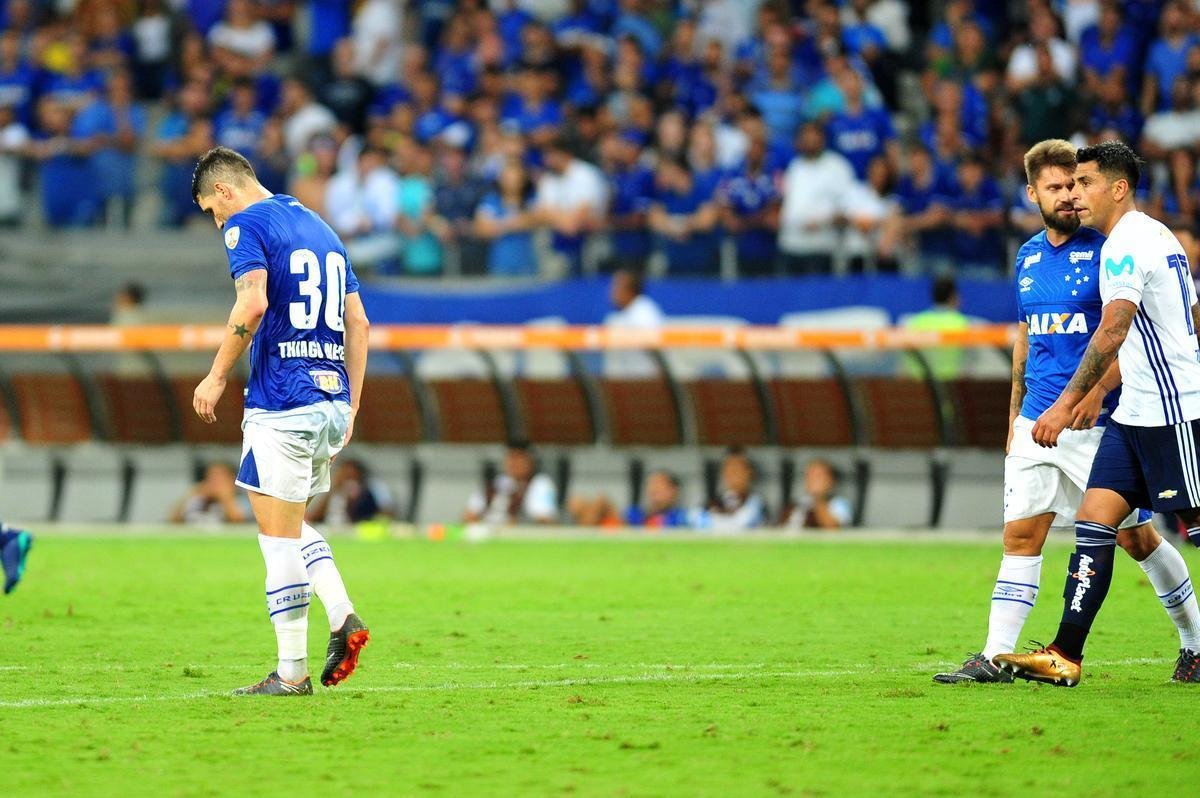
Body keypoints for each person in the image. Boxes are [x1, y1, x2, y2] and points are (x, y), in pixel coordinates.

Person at [979, 141, 1200, 687]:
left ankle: (1193, 642)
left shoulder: (1118, 246)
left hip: (1153, 413)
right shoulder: (1039, 254)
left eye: (1080, 184)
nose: (1073, 195)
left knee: (1155, 536)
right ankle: (1046, 654)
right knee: (1078, 528)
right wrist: (1021, 415)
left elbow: (1115, 330)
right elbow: (1030, 336)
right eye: (1061, 186)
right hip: (1096, 419)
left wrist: (1082, 398)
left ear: (1116, 187)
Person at [190, 146, 371, 696]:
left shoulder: (245, 225)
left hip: (283, 400)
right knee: (284, 527)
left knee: (276, 541)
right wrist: (353, 406)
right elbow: (358, 322)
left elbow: (251, 305)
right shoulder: (320, 227)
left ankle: (292, 673)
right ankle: (341, 615)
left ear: (224, 191)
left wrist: (217, 374)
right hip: (330, 401)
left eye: (210, 210)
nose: (216, 222)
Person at [465, 442, 558, 525]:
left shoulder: (540, 483)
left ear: (530, 462)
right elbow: (470, 514)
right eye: (511, 458)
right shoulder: (496, 482)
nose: (514, 464)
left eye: (519, 459)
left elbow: (544, 519)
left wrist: (517, 523)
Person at [903, 275, 970, 380]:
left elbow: (904, 363)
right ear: (953, 297)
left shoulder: (916, 322)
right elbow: (969, 360)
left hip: (919, 383)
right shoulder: (961, 324)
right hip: (950, 383)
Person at [604, 269, 664, 378]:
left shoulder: (644, 313)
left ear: (630, 290)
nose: (612, 292)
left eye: (617, 286)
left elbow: (658, 351)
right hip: (622, 382)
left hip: (644, 382)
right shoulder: (619, 316)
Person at [695, 447, 766, 531]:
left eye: (738, 468)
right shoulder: (712, 503)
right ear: (723, 472)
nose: (734, 473)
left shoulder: (758, 503)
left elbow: (744, 524)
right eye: (730, 467)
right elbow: (700, 523)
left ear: (749, 472)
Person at [306, 459, 395, 525]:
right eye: (344, 475)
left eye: (351, 475)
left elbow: (388, 512)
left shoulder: (374, 486)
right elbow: (312, 517)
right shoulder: (330, 488)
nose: (347, 478)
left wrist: (357, 502)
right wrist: (333, 490)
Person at [170, 461, 252, 525]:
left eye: (220, 478)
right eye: (211, 477)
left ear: (232, 479)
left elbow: (241, 523)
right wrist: (190, 496)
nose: (215, 482)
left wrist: (226, 499)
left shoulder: (243, 499)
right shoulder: (198, 498)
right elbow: (173, 520)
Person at [782, 459, 853, 529]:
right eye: (810, 475)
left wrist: (818, 498)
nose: (813, 479)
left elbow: (833, 528)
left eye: (818, 476)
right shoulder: (799, 503)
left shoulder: (839, 503)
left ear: (831, 480)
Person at [1, 520, 33, 595]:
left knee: (12, 575)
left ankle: (9, 584)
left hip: (14, 540)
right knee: (12, 570)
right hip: (20, 538)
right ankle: (8, 587)